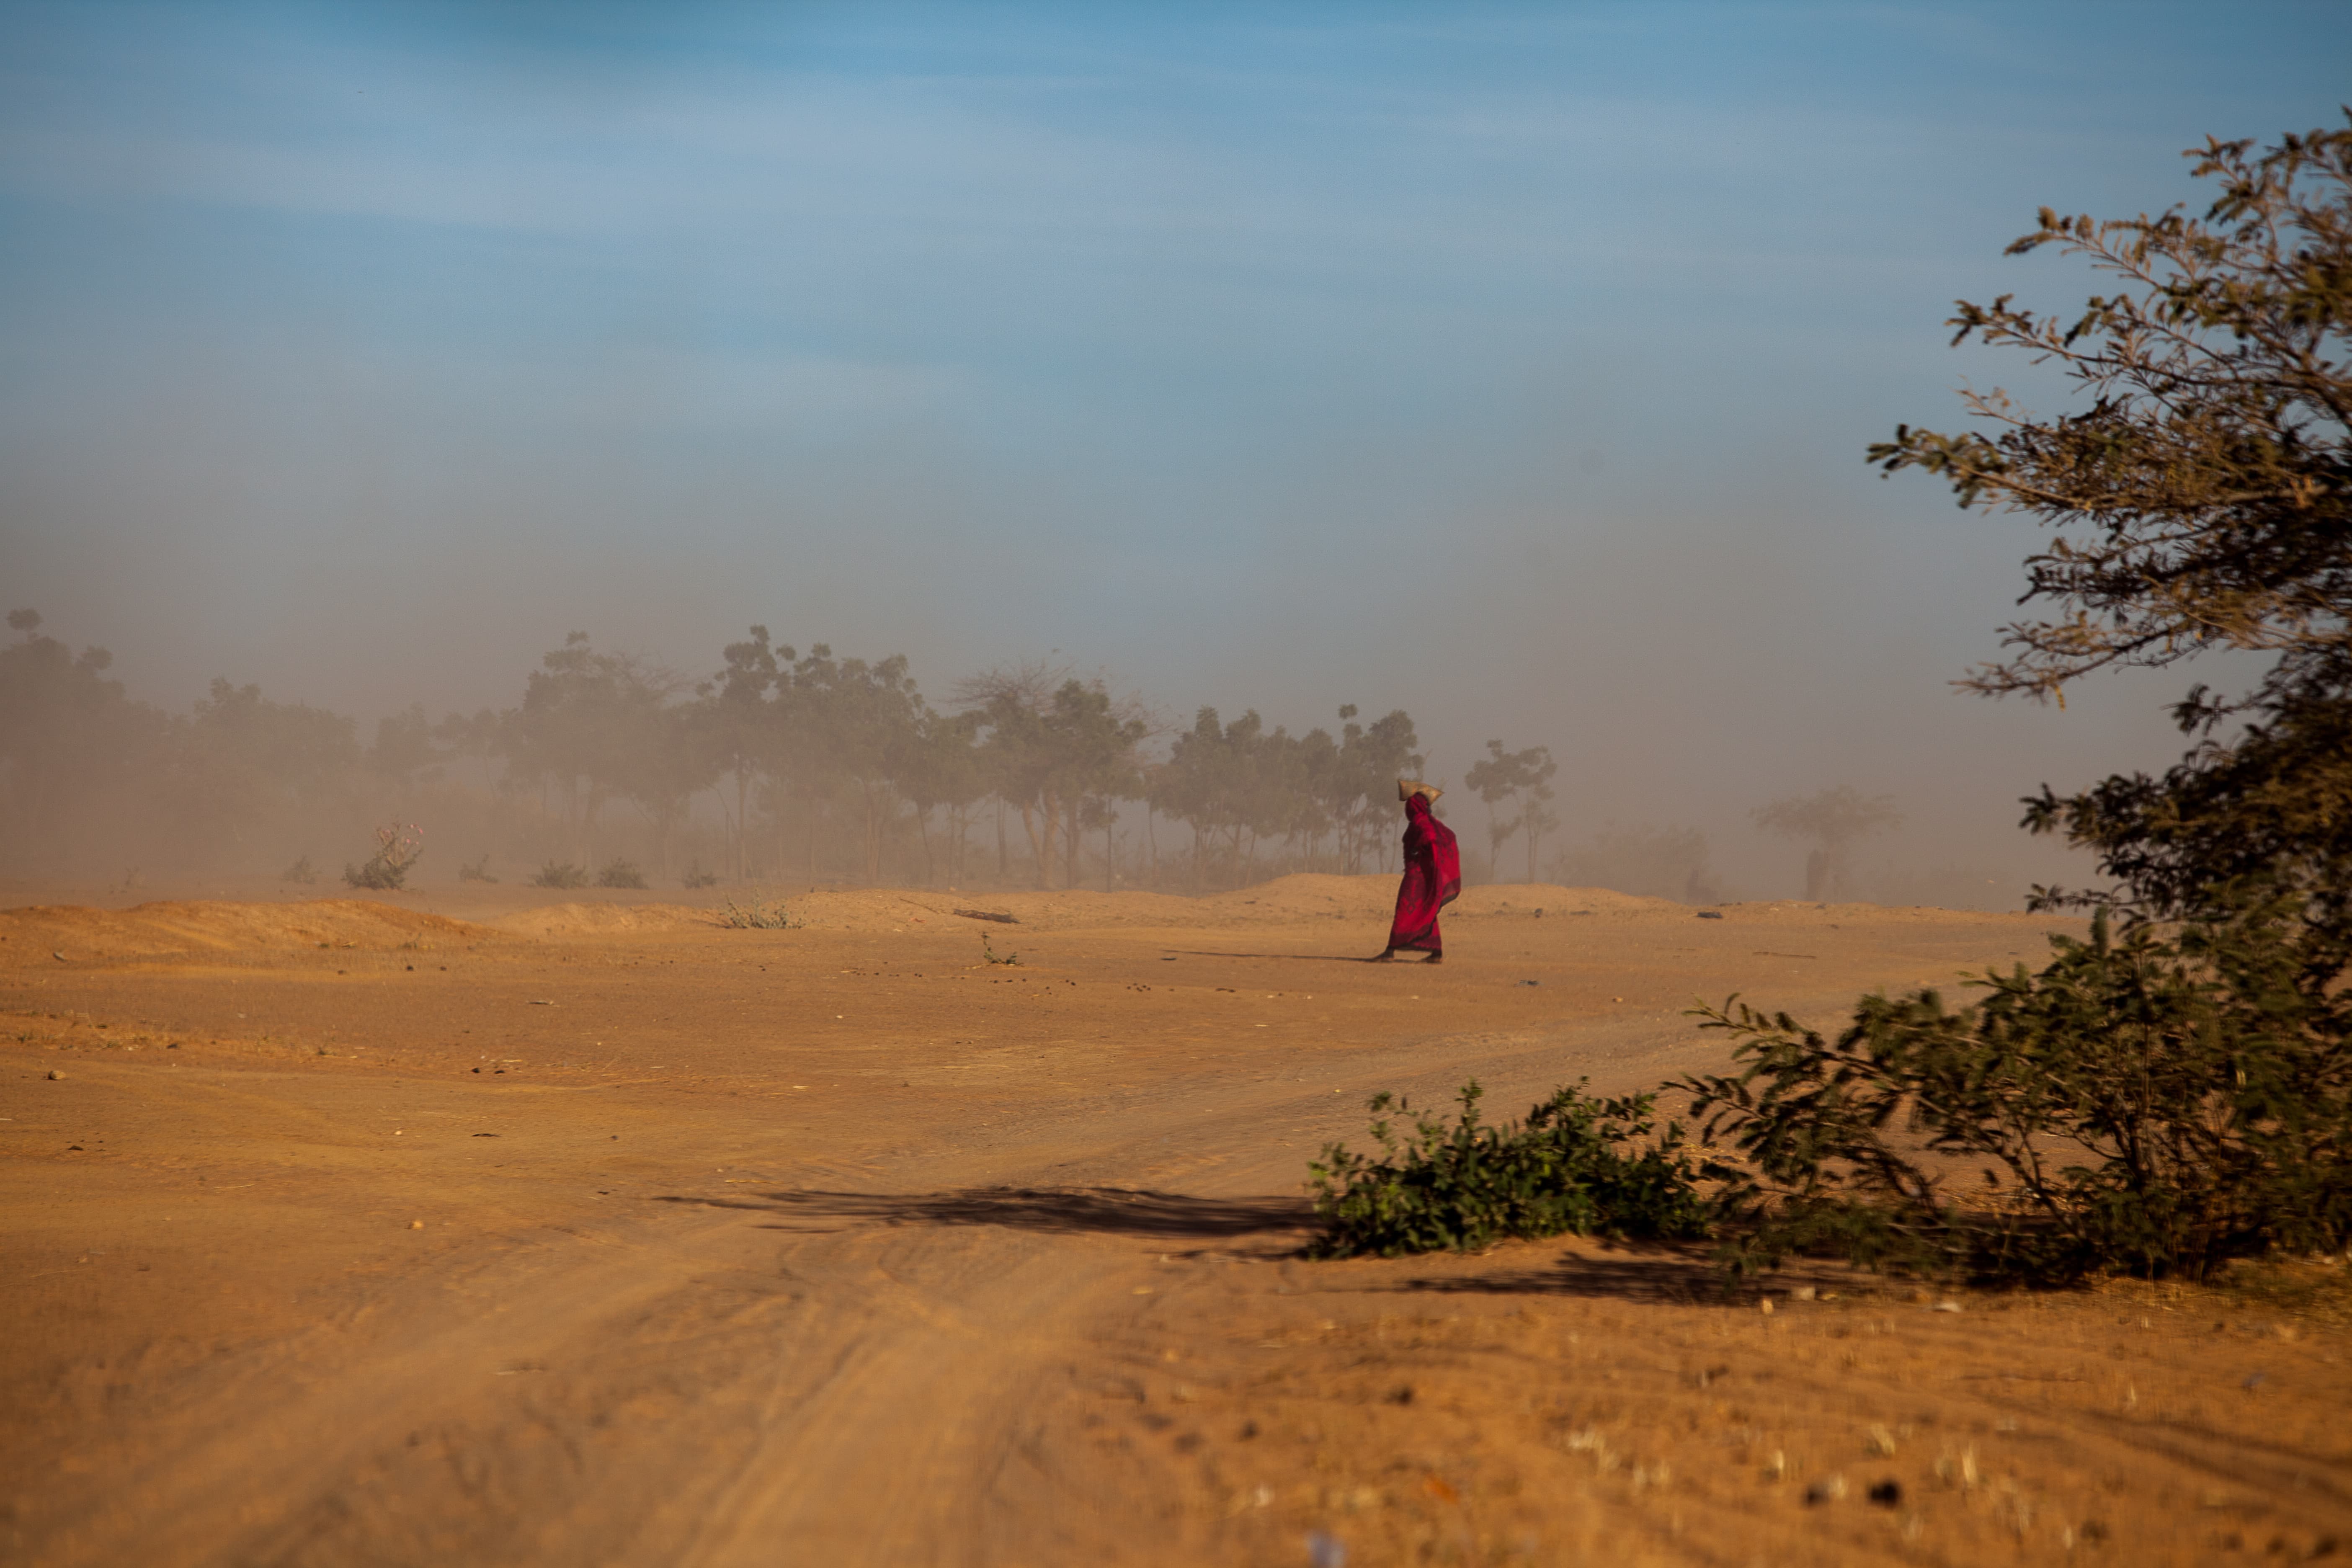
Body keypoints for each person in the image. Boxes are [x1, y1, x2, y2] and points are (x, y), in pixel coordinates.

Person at [1376, 780, 1460, 963]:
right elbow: (1447, 836)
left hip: (1417, 876)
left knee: (1404, 910)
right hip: (1423, 874)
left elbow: (1431, 838)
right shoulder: (1429, 822)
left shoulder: (1420, 822)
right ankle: (1436, 953)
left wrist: (1419, 852)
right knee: (1427, 910)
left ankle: (1390, 951)